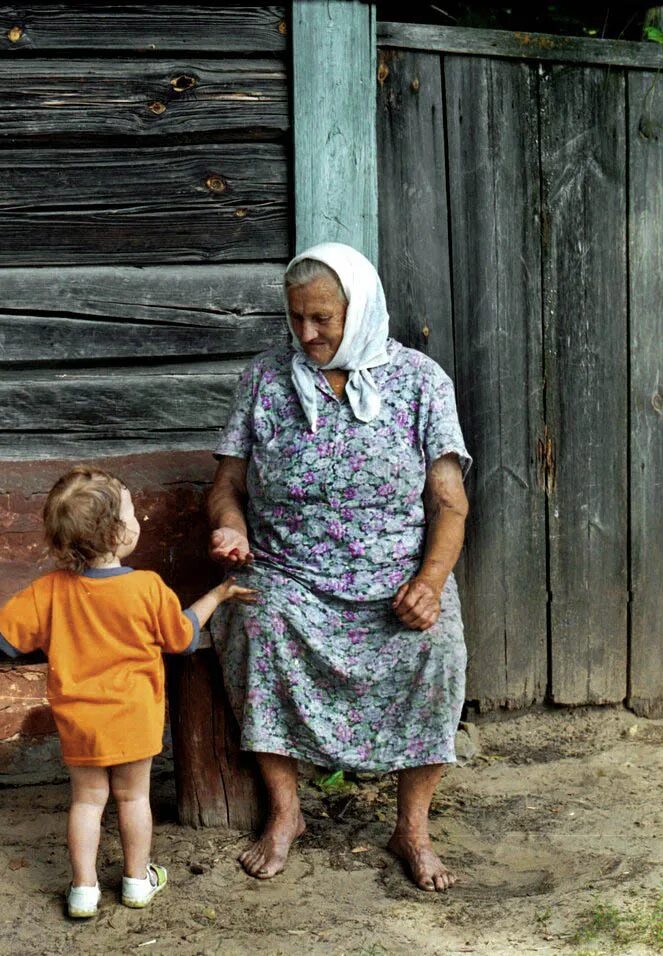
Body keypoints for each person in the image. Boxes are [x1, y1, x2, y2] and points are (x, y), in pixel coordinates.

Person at [207, 242, 471, 892]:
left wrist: (430, 584)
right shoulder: (267, 380)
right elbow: (226, 485)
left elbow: (449, 503)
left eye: (322, 318)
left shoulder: (419, 382)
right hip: (290, 577)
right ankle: (286, 813)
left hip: (395, 581)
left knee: (436, 645)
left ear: (360, 309)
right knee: (258, 619)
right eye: (296, 318)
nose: (308, 333)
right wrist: (231, 525)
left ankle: (411, 826)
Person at [0, 465, 255, 918]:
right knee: (134, 799)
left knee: (86, 802)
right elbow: (182, 637)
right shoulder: (147, 588)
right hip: (135, 719)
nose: (140, 521)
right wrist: (218, 595)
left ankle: (83, 889)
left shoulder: (50, 590)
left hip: (82, 723)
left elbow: (6, 634)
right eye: (133, 513)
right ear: (117, 533)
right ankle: (137, 881)